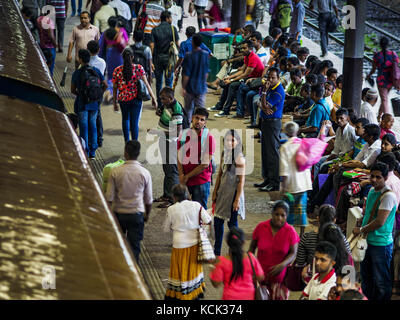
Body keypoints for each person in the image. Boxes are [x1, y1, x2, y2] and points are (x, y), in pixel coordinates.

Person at [353, 161, 398, 300]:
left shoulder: (388, 196)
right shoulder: (372, 191)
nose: (373, 179)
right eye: (372, 176)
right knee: (367, 277)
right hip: (367, 241)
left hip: (381, 244)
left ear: (385, 178)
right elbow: (368, 214)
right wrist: (362, 221)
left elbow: (380, 222)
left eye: (378, 177)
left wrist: (361, 229)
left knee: (381, 281)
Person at [106, 140, 153, 263]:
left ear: (125, 153)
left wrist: (109, 217)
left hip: (119, 213)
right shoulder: (145, 173)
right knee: (134, 247)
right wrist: (147, 215)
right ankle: (134, 271)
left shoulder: (115, 171)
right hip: (136, 214)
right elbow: (148, 199)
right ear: (138, 153)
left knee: (118, 246)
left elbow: (109, 197)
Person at [163, 184, 211, 300]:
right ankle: (194, 292)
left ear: (174, 197)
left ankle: (180, 293)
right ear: (187, 195)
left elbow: (166, 229)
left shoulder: (171, 209)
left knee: (179, 270)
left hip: (179, 244)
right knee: (193, 269)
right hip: (195, 244)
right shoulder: (196, 205)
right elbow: (208, 220)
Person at [249, 201, 299, 300]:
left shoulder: (290, 231)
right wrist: (253, 266)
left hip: (280, 283)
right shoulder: (261, 227)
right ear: (272, 213)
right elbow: (251, 249)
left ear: (287, 216)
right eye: (276, 214)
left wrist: (283, 264)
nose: (279, 218)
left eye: (282, 215)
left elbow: (293, 253)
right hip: (260, 280)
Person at [148, 87, 183, 208]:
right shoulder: (166, 105)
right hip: (164, 140)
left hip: (171, 143)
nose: (161, 101)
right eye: (160, 98)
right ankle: (166, 194)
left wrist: (157, 132)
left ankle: (172, 199)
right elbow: (165, 118)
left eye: (163, 99)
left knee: (172, 171)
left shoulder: (176, 109)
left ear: (170, 98)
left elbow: (176, 132)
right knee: (166, 169)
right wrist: (160, 113)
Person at [212, 130, 246, 256]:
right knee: (218, 222)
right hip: (223, 193)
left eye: (232, 140)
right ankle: (217, 251)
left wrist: (236, 200)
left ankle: (235, 251)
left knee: (232, 224)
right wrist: (215, 191)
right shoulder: (224, 154)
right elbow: (220, 174)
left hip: (233, 195)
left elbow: (241, 181)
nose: (229, 143)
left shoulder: (239, 158)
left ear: (237, 142)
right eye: (227, 140)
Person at [112, 48, 157, 142]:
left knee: (125, 120)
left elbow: (115, 88)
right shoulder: (139, 68)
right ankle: (135, 143)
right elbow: (147, 84)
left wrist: (115, 103)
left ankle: (127, 143)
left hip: (123, 100)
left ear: (123, 58)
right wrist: (154, 98)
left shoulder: (117, 71)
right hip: (136, 99)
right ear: (132, 57)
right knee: (134, 122)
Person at [71, 49, 107, 159]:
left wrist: (81, 94)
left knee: (84, 127)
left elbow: (72, 90)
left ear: (81, 59)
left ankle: (84, 150)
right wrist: (98, 94)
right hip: (94, 103)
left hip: (82, 103)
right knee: (93, 125)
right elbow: (104, 84)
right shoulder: (95, 70)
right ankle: (93, 152)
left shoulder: (77, 73)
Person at [210, 227, 265, 300]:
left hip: (229, 297)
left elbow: (216, 283)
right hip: (249, 296)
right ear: (243, 242)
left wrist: (212, 271)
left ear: (227, 242)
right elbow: (260, 277)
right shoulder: (251, 257)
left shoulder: (221, 261)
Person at [214, 41, 264, 118]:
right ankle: (221, 106)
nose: (242, 50)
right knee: (229, 83)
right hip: (248, 79)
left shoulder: (253, 58)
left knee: (232, 85)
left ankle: (232, 111)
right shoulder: (247, 57)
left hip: (254, 82)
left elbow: (245, 74)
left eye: (244, 48)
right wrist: (229, 77)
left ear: (251, 48)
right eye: (242, 48)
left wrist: (231, 80)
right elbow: (242, 71)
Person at [177, 108, 216, 210]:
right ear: (192, 118)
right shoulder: (183, 135)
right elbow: (179, 156)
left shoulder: (208, 138)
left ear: (205, 122)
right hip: (186, 180)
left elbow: (205, 164)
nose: (199, 121)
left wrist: (186, 177)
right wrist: (181, 175)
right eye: (197, 118)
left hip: (201, 181)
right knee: (186, 211)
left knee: (200, 211)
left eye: (202, 120)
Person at [254, 67, 285, 192]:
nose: (270, 80)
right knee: (265, 152)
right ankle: (267, 178)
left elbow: (265, 105)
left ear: (278, 78)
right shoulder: (268, 88)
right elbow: (260, 103)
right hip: (265, 122)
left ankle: (275, 182)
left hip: (273, 123)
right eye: (269, 77)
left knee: (273, 153)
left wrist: (264, 97)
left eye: (273, 78)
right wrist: (263, 104)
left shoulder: (277, 91)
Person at [280, 122, 312, 236]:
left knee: (290, 212)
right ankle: (302, 234)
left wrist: (283, 188)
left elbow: (284, 170)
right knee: (301, 210)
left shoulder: (284, 147)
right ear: (297, 131)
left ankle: (290, 234)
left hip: (292, 184)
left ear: (285, 132)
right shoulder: (304, 144)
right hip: (304, 183)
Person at [150, 10, 180, 107]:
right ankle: (169, 102)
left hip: (157, 59)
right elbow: (178, 44)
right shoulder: (173, 29)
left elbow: (152, 46)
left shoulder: (154, 30)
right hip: (169, 60)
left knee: (158, 82)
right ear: (167, 18)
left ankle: (160, 103)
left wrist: (151, 61)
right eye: (170, 17)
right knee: (169, 82)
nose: (171, 19)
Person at [366, 37, 400, 118]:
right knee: (384, 98)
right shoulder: (393, 54)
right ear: (388, 44)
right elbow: (397, 67)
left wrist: (369, 76)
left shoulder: (377, 55)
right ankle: (380, 115)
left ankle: (387, 118)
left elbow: (373, 69)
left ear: (380, 45)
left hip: (381, 80)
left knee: (384, 99)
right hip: (391, 80)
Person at [99, 16, 129, 102]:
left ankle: (110, 91)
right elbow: (126, 43)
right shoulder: (122, 31)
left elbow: (101, 47)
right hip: (120, 56)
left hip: (110, 55)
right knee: (120, 75)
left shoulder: (105, 33)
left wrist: (101, 59)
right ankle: (118, 94)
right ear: (117, 23)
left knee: (111, 75)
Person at [182, 33, 209, 122]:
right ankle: (201, 130)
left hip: (190, 87)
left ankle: (187, 129)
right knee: (201, 111)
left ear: (192, 43)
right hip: (201, 87)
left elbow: (186, 75)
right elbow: (206, 73)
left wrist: (183, 87)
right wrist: (204, 83)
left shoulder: (188, 55)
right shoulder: (205, 55)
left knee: (188, 110)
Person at [87, 40, 106, 148]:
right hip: (98, 91)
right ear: (99, 50)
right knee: (97, 114)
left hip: (88, 91)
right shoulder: (102, 62)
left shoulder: (86, 62)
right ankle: (99, 138)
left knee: (89, 114)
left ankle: (91, 139)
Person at [37, 9, 57, 75]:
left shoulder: (39, 19)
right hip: (49, 47)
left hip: (41, 45)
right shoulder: (49, 21)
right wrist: (55, 44)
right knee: (50, 67)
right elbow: (51, 36)